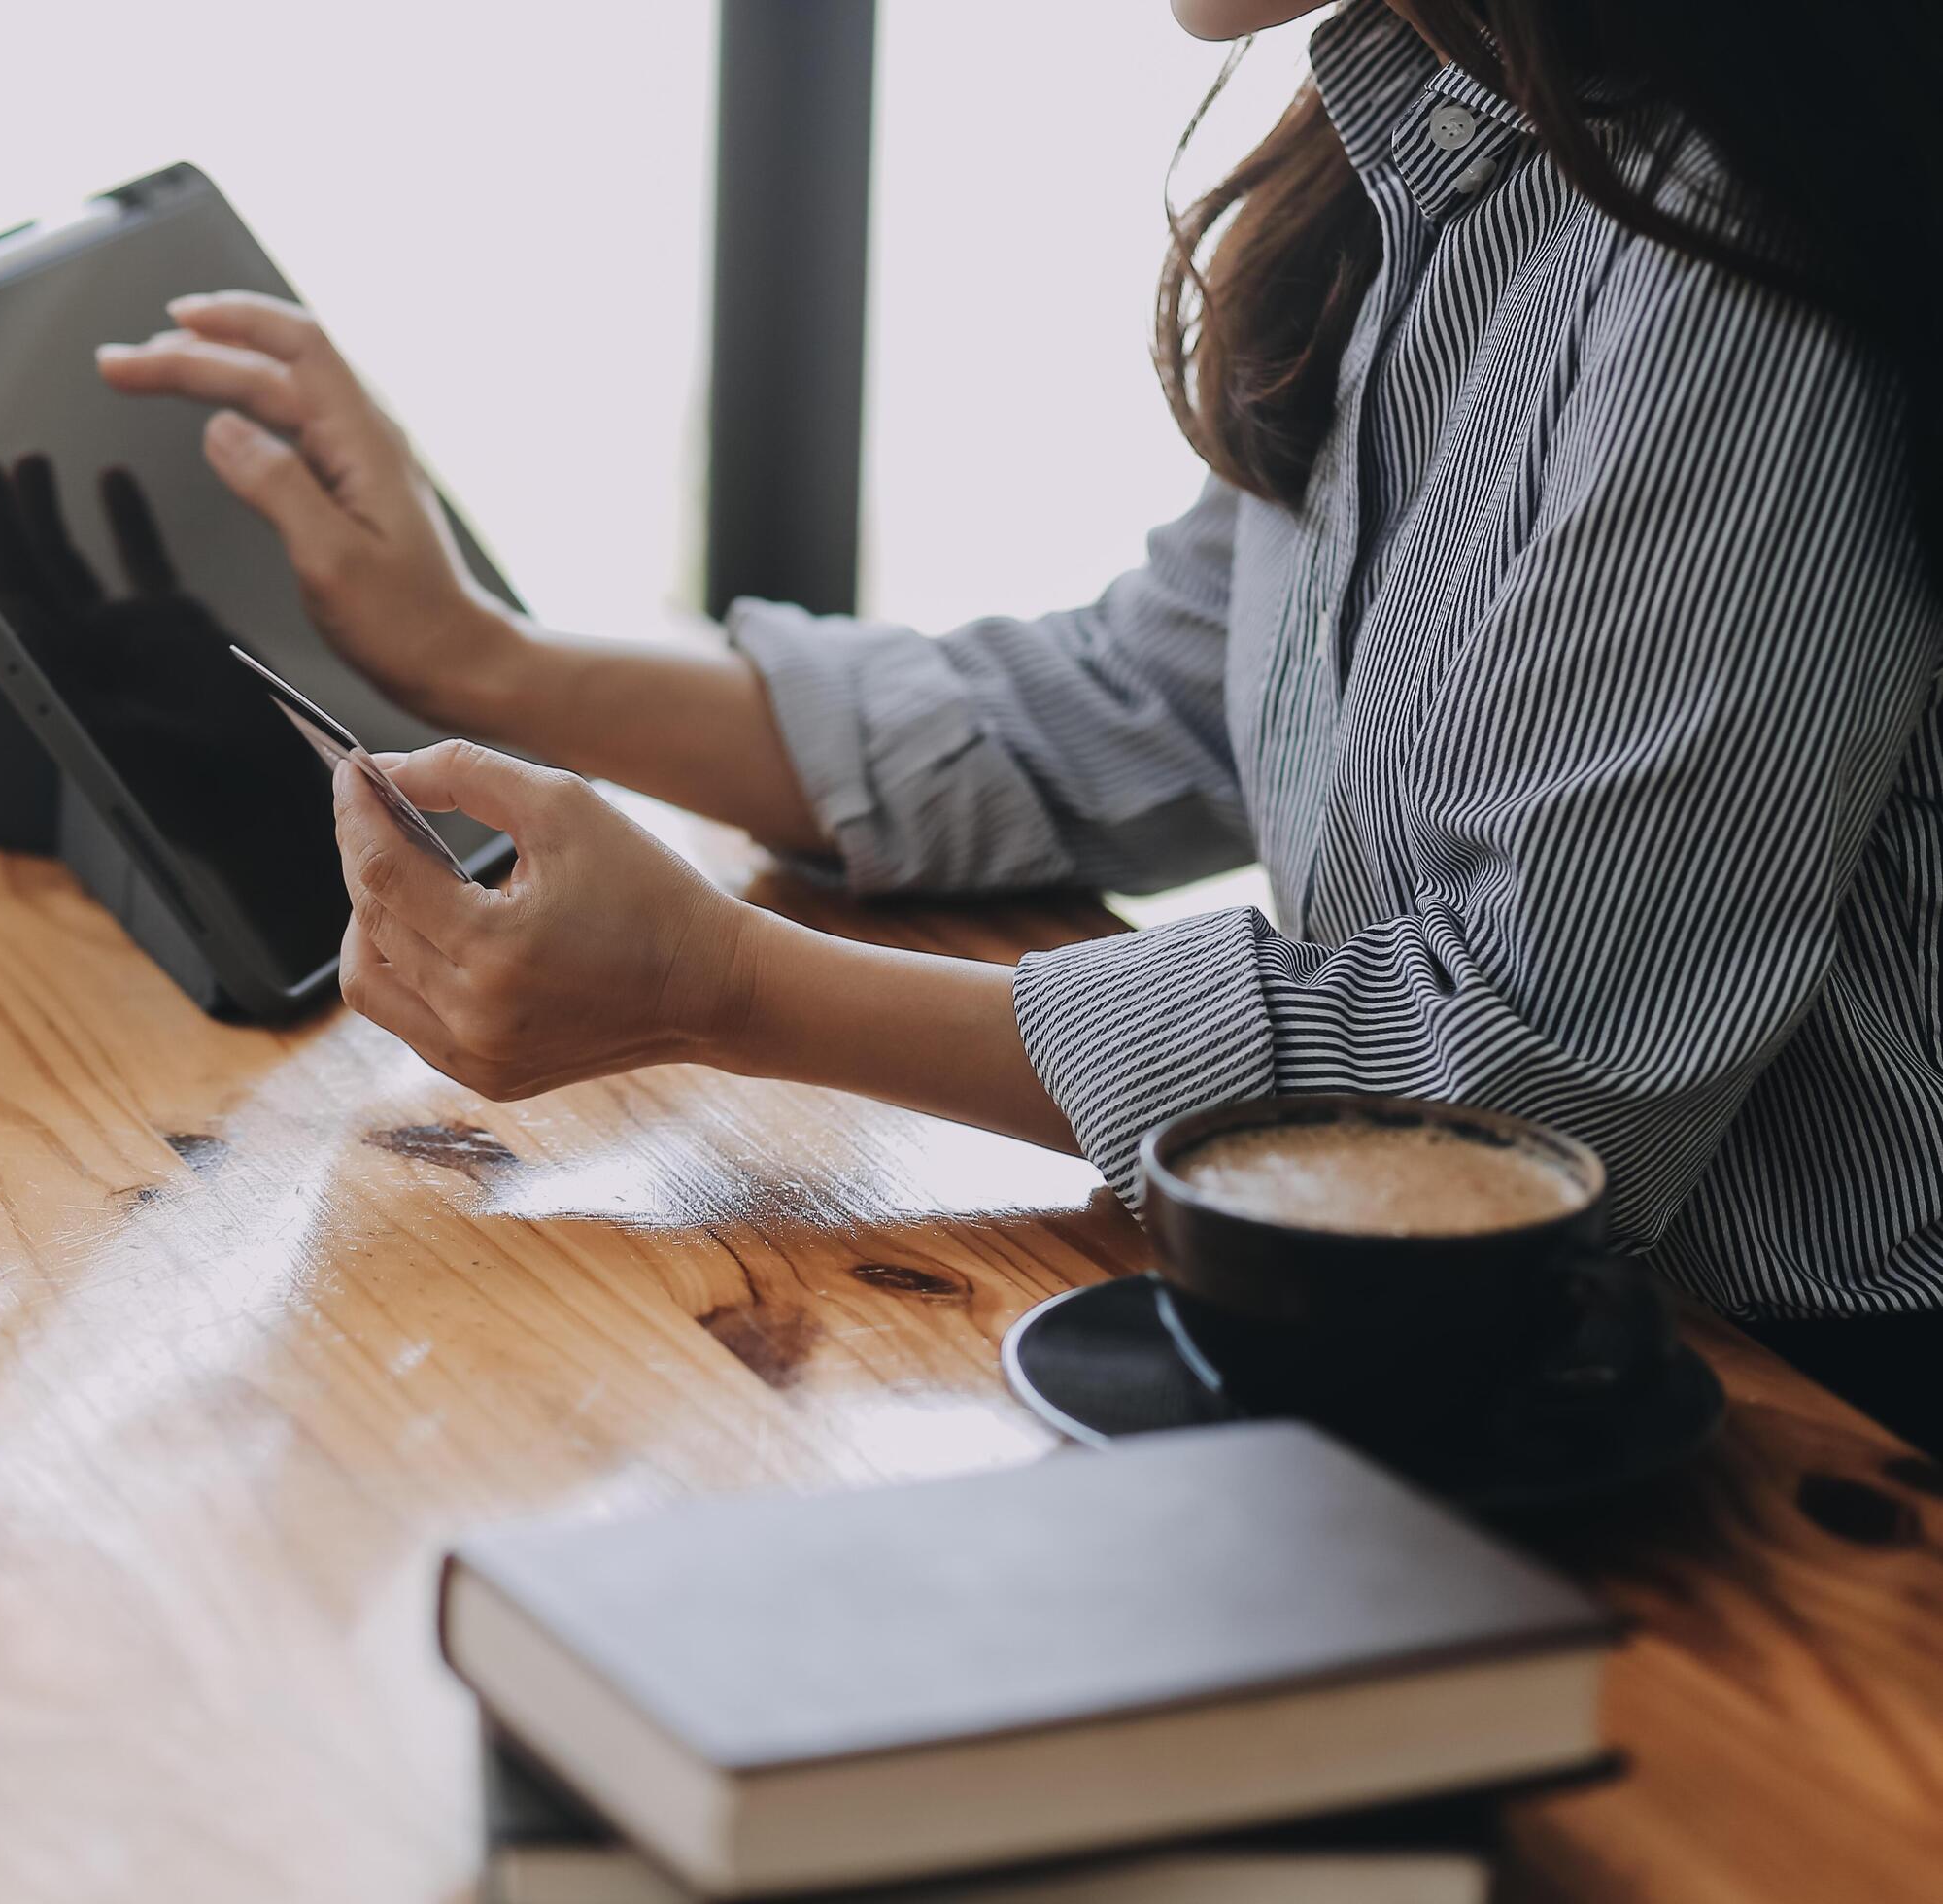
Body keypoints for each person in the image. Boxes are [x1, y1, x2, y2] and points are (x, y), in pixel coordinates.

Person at [98, 0, 1943, 1451]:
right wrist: (477, 656)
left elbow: (1530, 1083)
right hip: (1473, 1376)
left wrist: (726, 990)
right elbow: (1134, 700)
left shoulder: (1722, 274)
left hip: (1801, 1427)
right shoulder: (1437, 155)